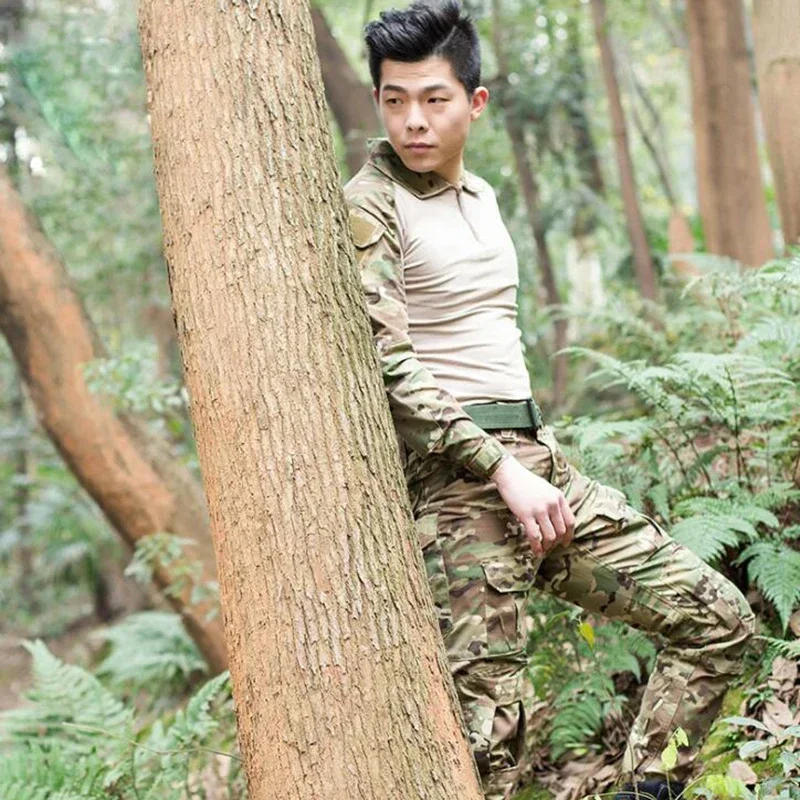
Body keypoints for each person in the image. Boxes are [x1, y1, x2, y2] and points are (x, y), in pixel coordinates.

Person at [343, 2, 755, 798]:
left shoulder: (482, 196)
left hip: (537, 470)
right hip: (459, 489)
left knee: (719, 622)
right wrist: (501, 469)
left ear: (475, 102)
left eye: (433, 98)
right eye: (395, 100)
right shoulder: (371, 202)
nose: (413, 120)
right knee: (493, 752)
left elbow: (491, 338)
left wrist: (533, 457)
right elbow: (389, 365)